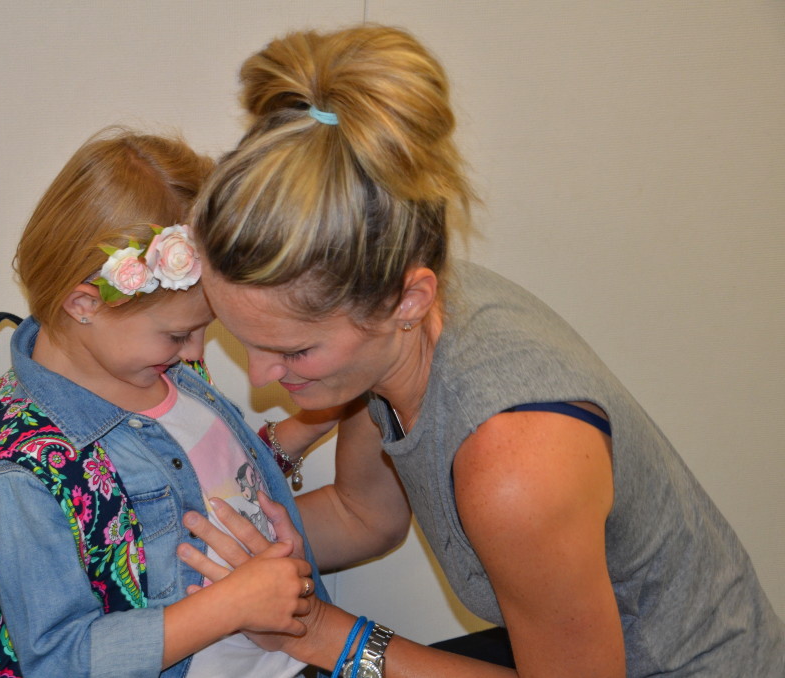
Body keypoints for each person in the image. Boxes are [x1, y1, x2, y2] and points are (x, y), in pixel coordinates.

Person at [178, 24, 785, 677]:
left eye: (292, 352)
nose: (265, 379)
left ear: (408, 300)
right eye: (245, 344)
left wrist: (326, 633)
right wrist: (208, 556)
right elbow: (365, 515)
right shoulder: (393, 326)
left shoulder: (515, 465)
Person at [0, 128, 332, 678]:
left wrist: (313, 421)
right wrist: (232, 606)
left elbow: (196, 479)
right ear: (84, 304)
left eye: (204, 328)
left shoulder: (170, 372)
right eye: (177, 334)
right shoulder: (25, 473)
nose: (197, 350)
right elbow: (58, 661)